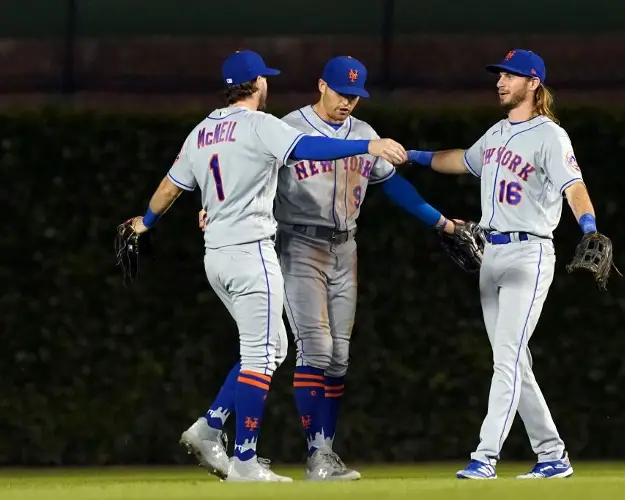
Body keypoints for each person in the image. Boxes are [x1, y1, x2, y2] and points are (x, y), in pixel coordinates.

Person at [125, 49, 406, 482]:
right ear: (257, 84)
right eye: (265, 79)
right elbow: (310, 146)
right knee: (261, 355)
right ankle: (244, 460)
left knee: (273, 348)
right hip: (252, 250)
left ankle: (209, 426)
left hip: (215, 257)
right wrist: (368, 144)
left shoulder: (202, 131)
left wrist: (144, 223)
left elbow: (170, 186)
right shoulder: (260, 125)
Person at [184, 56, 459, 481]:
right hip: (298, 243)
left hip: (345, 246)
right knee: (313, 348)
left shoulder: (365, 134)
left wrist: (440, 221)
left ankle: (317, 453)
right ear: (321, 86)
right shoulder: (286, 126)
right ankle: (314, 455)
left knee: (338, 356)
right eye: (341, 92)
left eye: (356, 95)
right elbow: (240, 174)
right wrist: (216, 211)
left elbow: (394, 185)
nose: (348, 101)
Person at [407, 49, 601, 480]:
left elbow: (574, 186)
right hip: (490, 254)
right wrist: (414, 156)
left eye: (510, 76)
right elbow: (460, 160)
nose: (500, 81)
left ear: (533, 83)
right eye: (499, 75)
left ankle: (485, 456)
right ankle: (553, 454)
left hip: (528, 255)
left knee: (507, 359)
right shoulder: (495, 134)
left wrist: (588, 226)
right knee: (513, 360)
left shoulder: (551, 136)